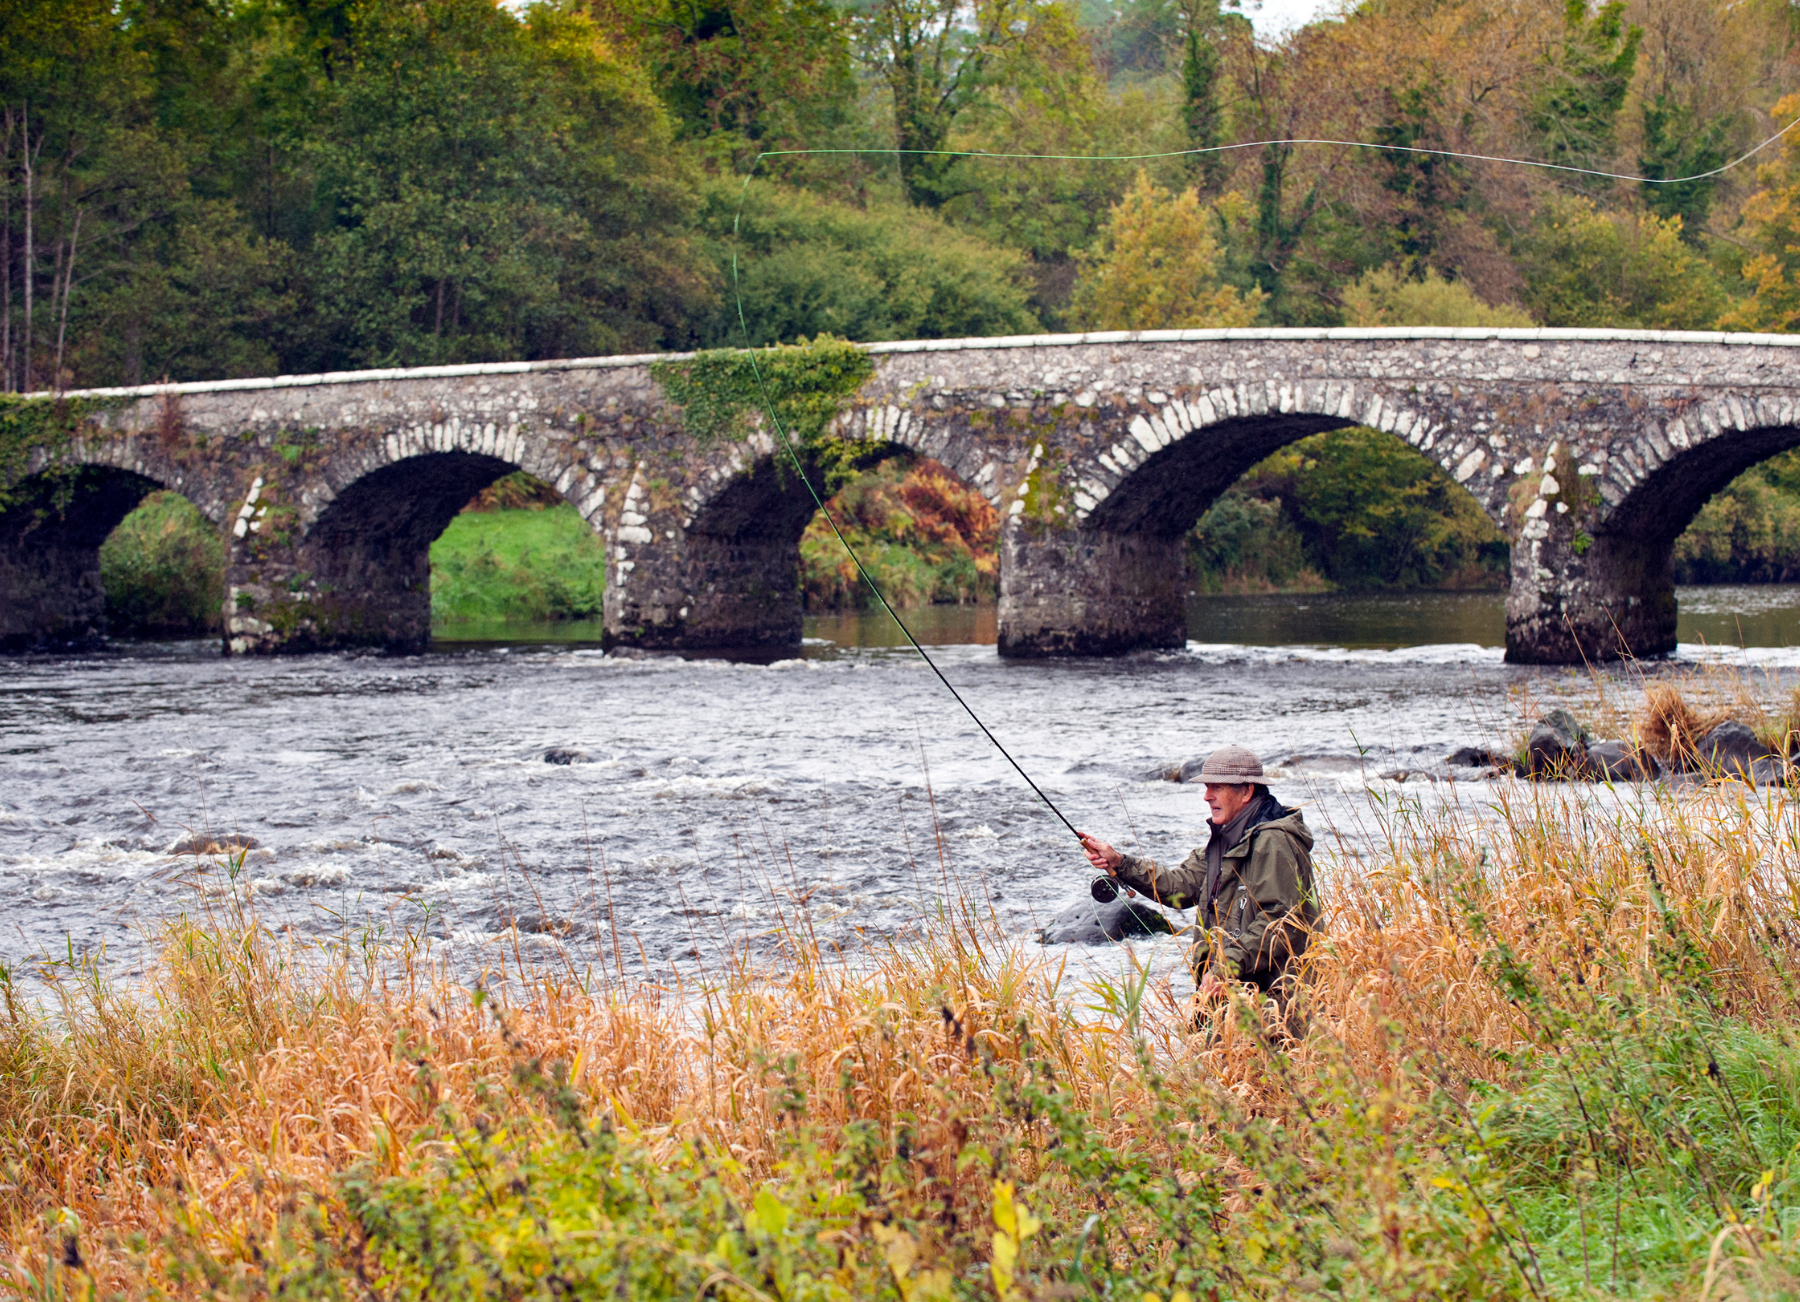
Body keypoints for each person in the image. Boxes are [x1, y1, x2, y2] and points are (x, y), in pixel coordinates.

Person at [1078, 745, 1318, 1035]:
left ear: (1246, 792)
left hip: (1275, 1007)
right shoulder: (1228, 837)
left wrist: (1225, 969)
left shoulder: (1273, 841)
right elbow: (1180, 885)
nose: (1206, 796)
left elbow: (1280, 920)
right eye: (1206, 787)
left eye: (1216, 787)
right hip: (1235, 998)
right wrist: (1120, 862)